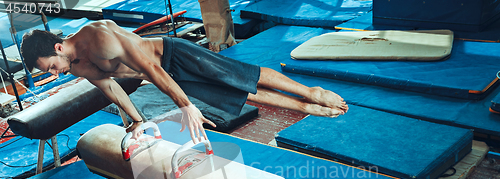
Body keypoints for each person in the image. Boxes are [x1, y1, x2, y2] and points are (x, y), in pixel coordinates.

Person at [21, 20, 348, 143]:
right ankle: (304, 106)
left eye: (50, 66)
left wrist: (187, 106)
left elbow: (152, 70)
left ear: (58, 47)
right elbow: (110, 88)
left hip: (173, 57)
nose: (54, 74)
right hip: (167, 75)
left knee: (244, 76)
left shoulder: (99, 38)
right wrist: (135, 121)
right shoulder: (75, 65)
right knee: (238, 96)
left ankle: (312, 92)